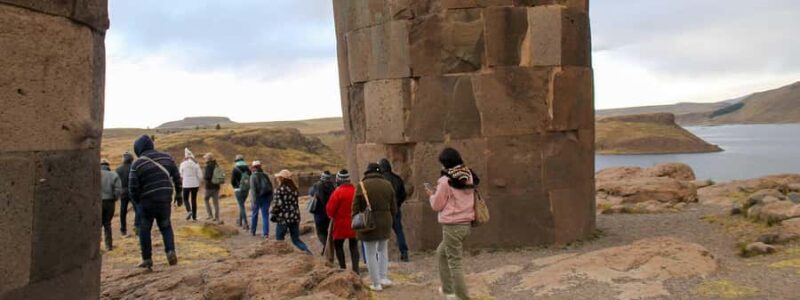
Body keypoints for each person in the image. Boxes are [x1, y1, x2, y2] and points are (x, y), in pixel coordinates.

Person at [427, 147, 479, 300]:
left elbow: (437, 205)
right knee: (441, 253)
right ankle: (447, 289)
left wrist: (431, 195)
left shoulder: (445, 181)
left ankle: (461, 296)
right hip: (466, 223)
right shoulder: (468, 175)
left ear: (445, 163)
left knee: (455, 263)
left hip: (452, 225)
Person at [129, 135, 182, 269]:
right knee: (165, 226)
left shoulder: (137, 164)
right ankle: (170, 251)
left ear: (138, 148)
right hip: (165, 198)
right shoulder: (167, 157)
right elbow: (177, 177)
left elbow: (132, 187)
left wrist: (137, 203)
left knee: (145, 229)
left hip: (146, 201)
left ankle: (147, 259)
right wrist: (179, 194)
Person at [353, 163, 397, 291]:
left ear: (367, 172)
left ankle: (376, 283)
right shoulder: (387, 184)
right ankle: (383, 277)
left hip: (369, 223)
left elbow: (355, 207)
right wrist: (389, 218)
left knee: (370, 253)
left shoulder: (362, 185)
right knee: (383, 250)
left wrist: (356, 220)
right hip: (385, 221)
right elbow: (393, 206)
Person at [326, 169, 359, 273]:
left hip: (340, 224)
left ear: (339, 180)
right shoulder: (355, 190)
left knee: (338, 246)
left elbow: (330, 210)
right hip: (354, 223)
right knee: (353, 246)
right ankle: (355, 269)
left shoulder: (337, 192)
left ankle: (343, 268)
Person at [271, 169, 311, 254]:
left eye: (279, 177)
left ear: (282, 178)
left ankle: (282, 256)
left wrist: (273, 213)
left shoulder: (279, 189)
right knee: (296, 239)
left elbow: (278, 204)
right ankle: (307, 252)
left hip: (283, 218)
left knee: (279, 239)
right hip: (295, 217)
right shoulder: (294, 189)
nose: (277, 179)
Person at [378, 158, 410, 262]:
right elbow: (403, 194)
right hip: (396, 209)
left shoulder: (380, 180)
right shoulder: (397, 178)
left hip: (384, 211)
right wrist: (398, 203)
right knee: (399, 231)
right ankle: (404, 252)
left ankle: (381, 256)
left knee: (381, 234)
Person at [101, 159, 122, 251]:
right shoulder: (114, 174)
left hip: (97, 202)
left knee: (97, 225)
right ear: (108, 165)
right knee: (107, 224)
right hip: (109, 202)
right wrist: (115, 198)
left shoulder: (94, 173)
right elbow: (118, 189)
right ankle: (108, 246)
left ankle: (96, 246)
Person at [310, 171, 335, 249]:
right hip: (329, 213)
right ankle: (329, 246)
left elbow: (310, 193)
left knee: (320, 232)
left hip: (319, 214)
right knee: (328, 231)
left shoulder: (316, 185)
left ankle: (326, 246)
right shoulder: (332, 187)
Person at [249, 160, 273, 238]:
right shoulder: (265, 175)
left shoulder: (253, 176)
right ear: (260, 166)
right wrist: (271, 198)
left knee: (254, 214)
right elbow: (270, 187)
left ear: (253, 167)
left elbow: (253, 190)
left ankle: (253, 231)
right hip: (266, 197)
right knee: (265, 215)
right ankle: (266, 233)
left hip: (257, 198)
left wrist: (254, 201)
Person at [116, 152, 137, 236]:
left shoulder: (118, 169)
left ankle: (123, 229)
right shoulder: (134, 168)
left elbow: (116, 183)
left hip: (123, 192)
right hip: (133, 191)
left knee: (123, 211)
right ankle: (136, 225)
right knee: (136, 209)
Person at [179, 148, 203, 221]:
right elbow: (200, 176)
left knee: (185, 199)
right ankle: (194, 217)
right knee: (193, 200)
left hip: (186, 184)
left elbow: (180, 174)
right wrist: (198, 182)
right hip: (195, 184)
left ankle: (189, 211)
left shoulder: (182, 164)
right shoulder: (196, 164)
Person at [231, 154, 251, 229]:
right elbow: (250, 178)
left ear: (236, 161)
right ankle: (240, 221)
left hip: (238, 190)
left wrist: (235, 187)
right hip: (246, 190)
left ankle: (245, 223)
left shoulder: (235, 169)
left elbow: (232, 181)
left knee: (241, 206)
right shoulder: (247, 169)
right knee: (241, 205)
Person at [203, 153, 222, 222]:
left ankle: (210, 215)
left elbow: (207, 177)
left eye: (205, 158)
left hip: (209, 187)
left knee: (206, 199)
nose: (204, 159)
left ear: (208, 159)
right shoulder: (216, 165)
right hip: (216, 186)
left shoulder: (208, 166)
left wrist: (204, 176)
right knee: (216, 202)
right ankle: (216, 217)